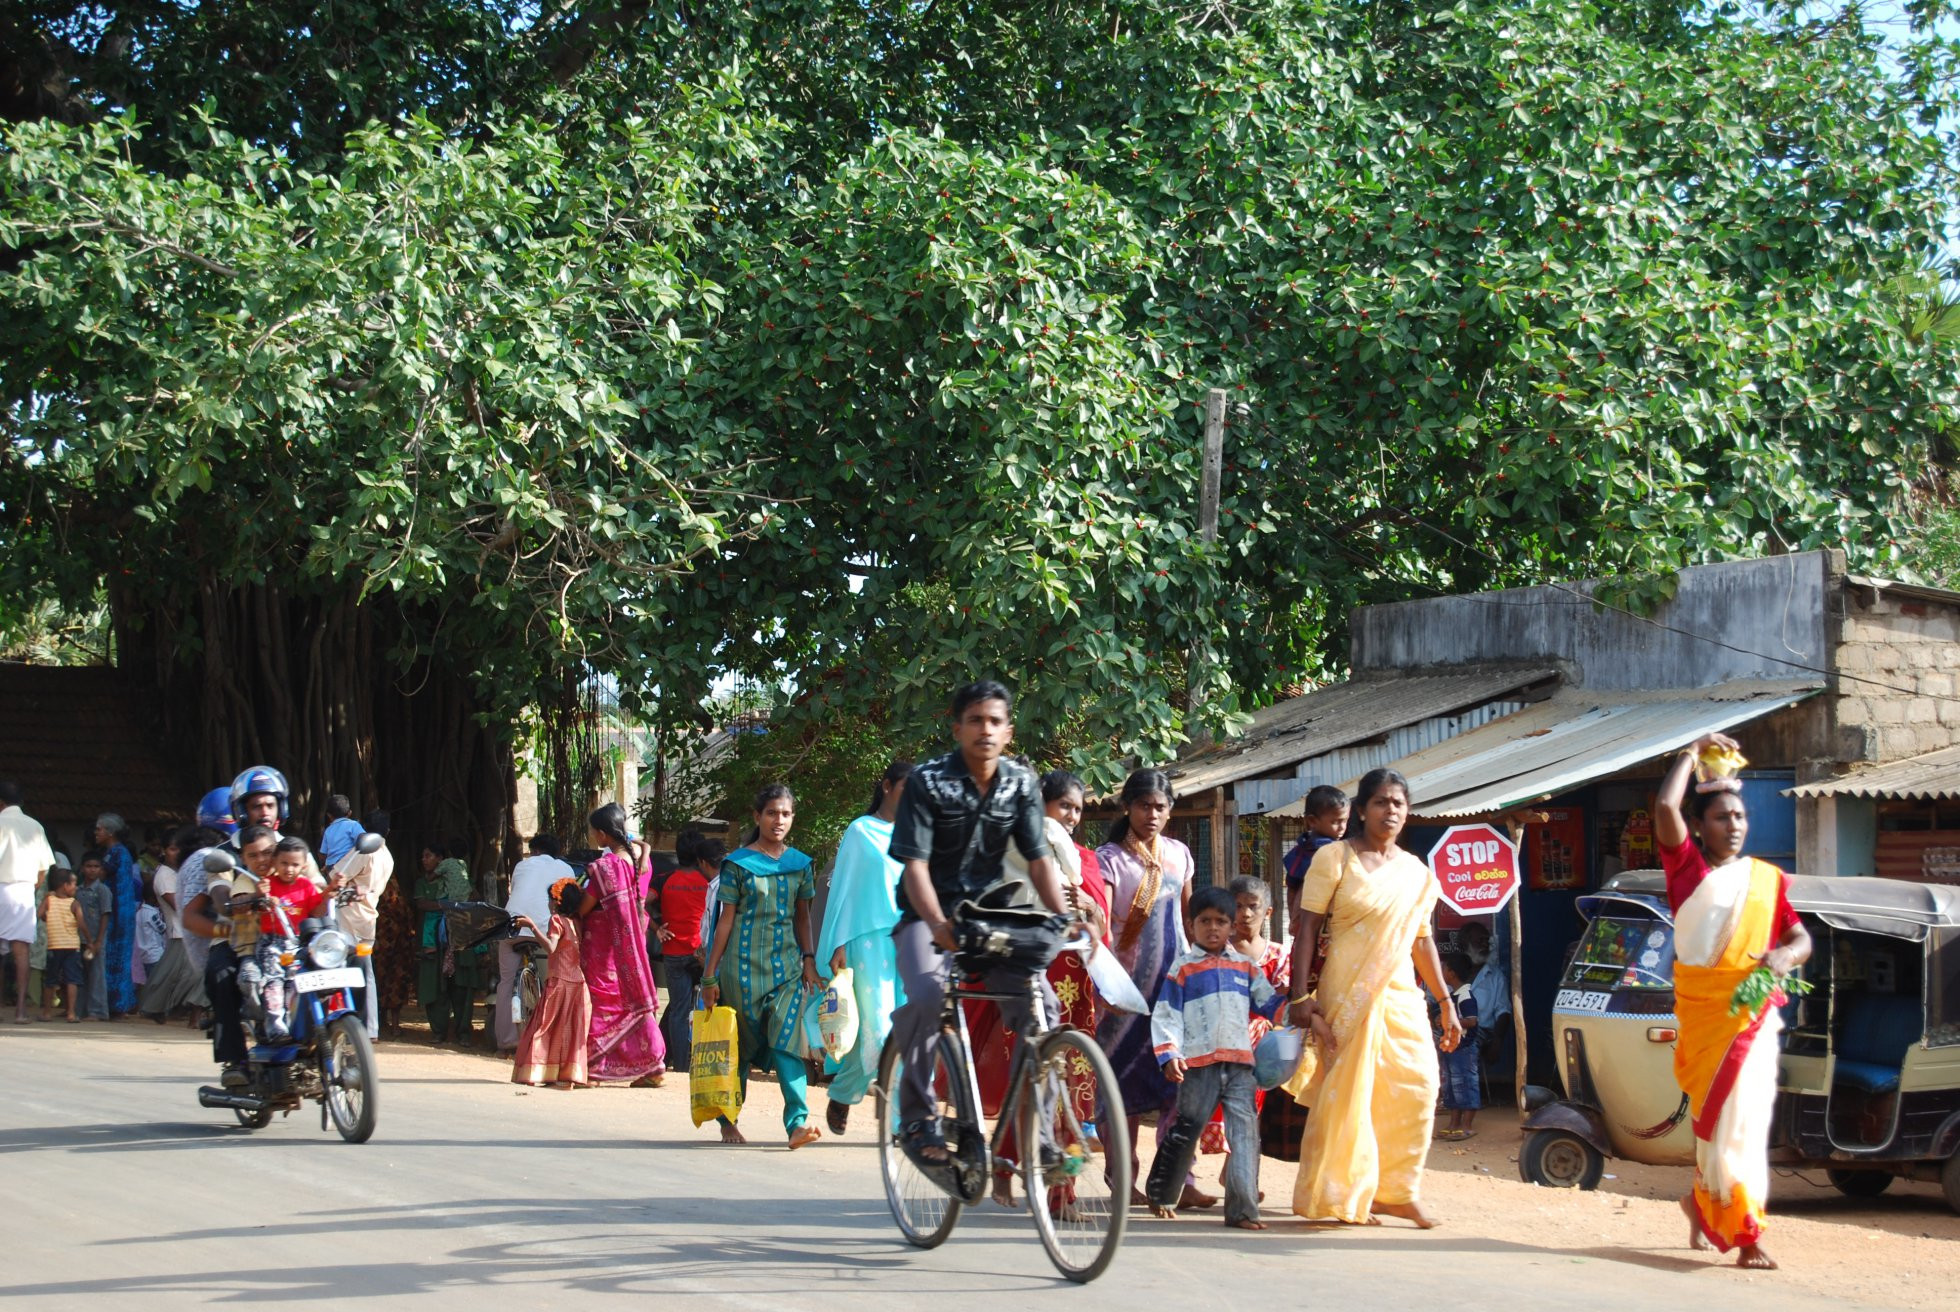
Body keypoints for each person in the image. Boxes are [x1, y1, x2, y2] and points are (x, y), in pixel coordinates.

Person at [885, 680, 1069, 1170]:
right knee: (927, 996)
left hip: (991, 922)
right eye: (975, 720)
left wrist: (1063, 915)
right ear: (958, 728)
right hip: (927, 919)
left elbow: (1038, 860)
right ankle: (918, 1119)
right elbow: (915, 866)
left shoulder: (1021, 784)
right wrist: (938, 923)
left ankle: (1041, 1137)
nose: (985, 730)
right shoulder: (927, 782)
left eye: (994, 721)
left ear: (1008, 732)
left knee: (1043, 1012)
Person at [1655, 731, 1811, 1270]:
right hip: (1708, 1022)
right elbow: (1663, 805)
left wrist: (1783, 960)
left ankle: (1721, 1214)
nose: (1735, 826)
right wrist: (1691, 753)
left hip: (1753, 1020)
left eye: (1740, 817)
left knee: (1742, 1125)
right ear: (1699, 826)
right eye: (1721, 817)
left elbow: (1800, 937)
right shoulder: (1688, 874)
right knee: (1721, 1121)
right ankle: (1737, 1229)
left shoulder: (1766, 881)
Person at [1287, 767, 1458, 1228]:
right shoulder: (1335, 859)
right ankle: (1340, 1191)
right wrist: (1300, 997)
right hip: (1347, 989)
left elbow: (1422, 941)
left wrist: (1446, 1002)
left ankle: (1396, 1191)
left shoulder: (1416, 873)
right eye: (1381, 802)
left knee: (1419, 1085)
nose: (1391, 810)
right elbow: (1307, 929)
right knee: (1350, 1093)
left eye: (1399, 803)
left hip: (1401, 991)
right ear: (1362, 809)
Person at [1095, 768, 1211, 1209]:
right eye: (1144, 805)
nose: (1152, 814)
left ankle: (1181, 1176)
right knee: (1122, 1087)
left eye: (1160, 807)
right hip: (1124, 995)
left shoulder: (1179, 855)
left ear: (1170, 811)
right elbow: (1102, 925)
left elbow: (1189, 921)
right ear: (1128, 807)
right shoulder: (1109, 859)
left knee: (1177, 1085)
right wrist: (1105, 983)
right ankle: (1121, 1174)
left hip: (1172, 991)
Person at [1150, 885, 1284, 1229]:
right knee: (1187, 1127)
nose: (1213, 928)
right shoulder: (1182, 969)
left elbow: (1269, 1003)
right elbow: (1166, 1014)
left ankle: (1241, 1210)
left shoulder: (1246, 967)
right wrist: (1169, 1054)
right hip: (1198, 1065)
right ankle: (1163, 1193)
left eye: (1221, 921)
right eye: (1205, 921)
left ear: (1232, 926)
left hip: (1240, 1065)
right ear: (1191, 925)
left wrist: (1299, 1010)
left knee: (1244, 1134)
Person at [701, 786, 821, 1147]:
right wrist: (710, 974)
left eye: (785, 814)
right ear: (758, 817)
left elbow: (803, 919)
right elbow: (725, 921)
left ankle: (797, 1123)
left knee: (787, 1043)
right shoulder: (738, 864)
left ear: (792, 818)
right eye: (771, 813)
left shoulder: (801, 864)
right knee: (737, 1049)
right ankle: (728, 1120)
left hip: (785, 971)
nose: (778, 820)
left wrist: (809, 960)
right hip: (739, 972)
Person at [817, 760, 913, 1135]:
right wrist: (836, 943)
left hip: (908, 939)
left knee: (904, 1031)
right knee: (876, 1032)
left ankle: (898, 1122)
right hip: (865, 941)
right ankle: (861, 1099)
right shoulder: (860, 831)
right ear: (887, 787)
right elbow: (843, 890)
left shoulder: (915, 833)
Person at [1198, 875, 1290, 1161]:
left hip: (1261, 1046)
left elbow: (1283, 1001)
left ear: (1268, 912)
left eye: (1253, 906)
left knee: (1252, 1108)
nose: (1246, 914)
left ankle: (1234, 1170)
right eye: (1238, 906)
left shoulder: (1278, 954)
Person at [578, 804, 668, 1086]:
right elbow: (640, 846)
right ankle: (654, 1065)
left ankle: (595, 1067)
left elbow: (584, 907)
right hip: (634, 940)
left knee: (605, 1000)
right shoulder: (641, 858)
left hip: (605, 945)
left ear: (603, 834)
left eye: (594, 832)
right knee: (635, 998)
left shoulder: (606, 867)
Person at [237, 837, 326, 1041]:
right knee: (274, 984)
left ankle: (306, 1026)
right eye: (284, 863)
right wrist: (262, 897)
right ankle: (276, 1028)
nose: (289, 869)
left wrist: (331, 893)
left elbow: (319, 910)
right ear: (275, 863)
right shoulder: (268, 885)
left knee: (299, 983)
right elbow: (257, 904)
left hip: (300, 944)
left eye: (295, 864)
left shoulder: (306, 885)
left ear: (304, 866)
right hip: (272, 943)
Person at [510, 878, 593, 1089]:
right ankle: (566, 1075)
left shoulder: (556, 920)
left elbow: (550, 948)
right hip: (578, 983)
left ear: (556, 902)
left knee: (544, 1027)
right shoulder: (576, 922)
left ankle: (537, 1070)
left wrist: (531, 927)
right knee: (570, 1031)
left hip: (559, 982)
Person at [497, 833, 574, 1054]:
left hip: (511, 927)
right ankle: (546, 1038)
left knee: (506, 981)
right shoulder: (566, 869)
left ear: (536, 850)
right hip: (545, 930)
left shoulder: (522, 866)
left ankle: (506, 1040)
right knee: (551, 981)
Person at [655, 830, 721, 1073]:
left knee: (678, 1009)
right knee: (712, 1005)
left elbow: (639, 903)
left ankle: (680, 1066)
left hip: (673, 953)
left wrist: (656, 928)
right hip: (702, 954)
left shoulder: (665, 879)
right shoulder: (711, 882)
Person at [415, 839, 479, 1046]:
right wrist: (449, 906)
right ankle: (438, 1031)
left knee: (462, 987)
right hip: (435, 942)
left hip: (459, 939)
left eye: (428, 856)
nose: (424, 860)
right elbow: (422, 904)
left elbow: (474, 898)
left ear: (441, 859)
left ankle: (463, 1032)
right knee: (436, 988)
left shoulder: (460, 878)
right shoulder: (423, 883)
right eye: (423, 856)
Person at [0, 782, 55, 1023]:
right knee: (21, 951)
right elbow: (43, 870)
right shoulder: (35, 826)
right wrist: (29, 888)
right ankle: (21, 1011)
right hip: (24, 891)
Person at [1283, 785, 1349, 938]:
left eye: (1344, 821)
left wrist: (1294, 920)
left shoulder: (1301, 849)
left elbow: (1291, 885)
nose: (1342, 828)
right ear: (1312, 820)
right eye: (1335, 821)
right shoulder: (1330, 850)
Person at [93, 814, 141, 1015]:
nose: (96, 833)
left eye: (99, 829)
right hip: (113, 912)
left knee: (117, 959)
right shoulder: (111, 852)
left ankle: (118, 1004)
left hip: (119, 913)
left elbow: (120, 889)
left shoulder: (118, 854)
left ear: (110, 832)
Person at [1436, 952, 1481, 1141]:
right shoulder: (1452, 995)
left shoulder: (1465, 995)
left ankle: (1467, 1126)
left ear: (1452, 973)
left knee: (1466, 1085)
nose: (1442, 972)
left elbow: (1472, 1021)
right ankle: (1454, 1124)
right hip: (1452, 1048)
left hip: (1464, 1049)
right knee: (1452, 1087)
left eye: (1444, 969)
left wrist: (1451, 1021)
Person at [38, 867, 84, 1022]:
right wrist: (91, 941)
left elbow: (39, 915)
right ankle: (71, 1013)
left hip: (54, 946)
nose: (76, 887)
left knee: (50, 980)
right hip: (72, 946)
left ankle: (46, 1013)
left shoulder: (49, 900)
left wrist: (47, 917)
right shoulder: (74, 903)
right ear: (65, 885)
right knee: (72, 980)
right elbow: (82, 924)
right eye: (74, 884)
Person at [73, 852, 115, 1020]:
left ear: (101, 870)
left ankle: (97, 1011)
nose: (92, 870)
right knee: (80, 974)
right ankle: (79, 1009)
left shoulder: (102, 890)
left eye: (96, 866)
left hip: (97, 938)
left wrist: (98, 940)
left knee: (97, 974)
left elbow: (105, 915)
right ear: (82, 869)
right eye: (89, 866)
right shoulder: (77, 890)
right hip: (79, 938)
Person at [320, 795, 362, 869]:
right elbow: (363, 840)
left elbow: (323, 853)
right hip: (347, 865)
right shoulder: (353, 825)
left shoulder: (328, 830)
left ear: (329, 815)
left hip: (331, 867)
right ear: (350, 813)